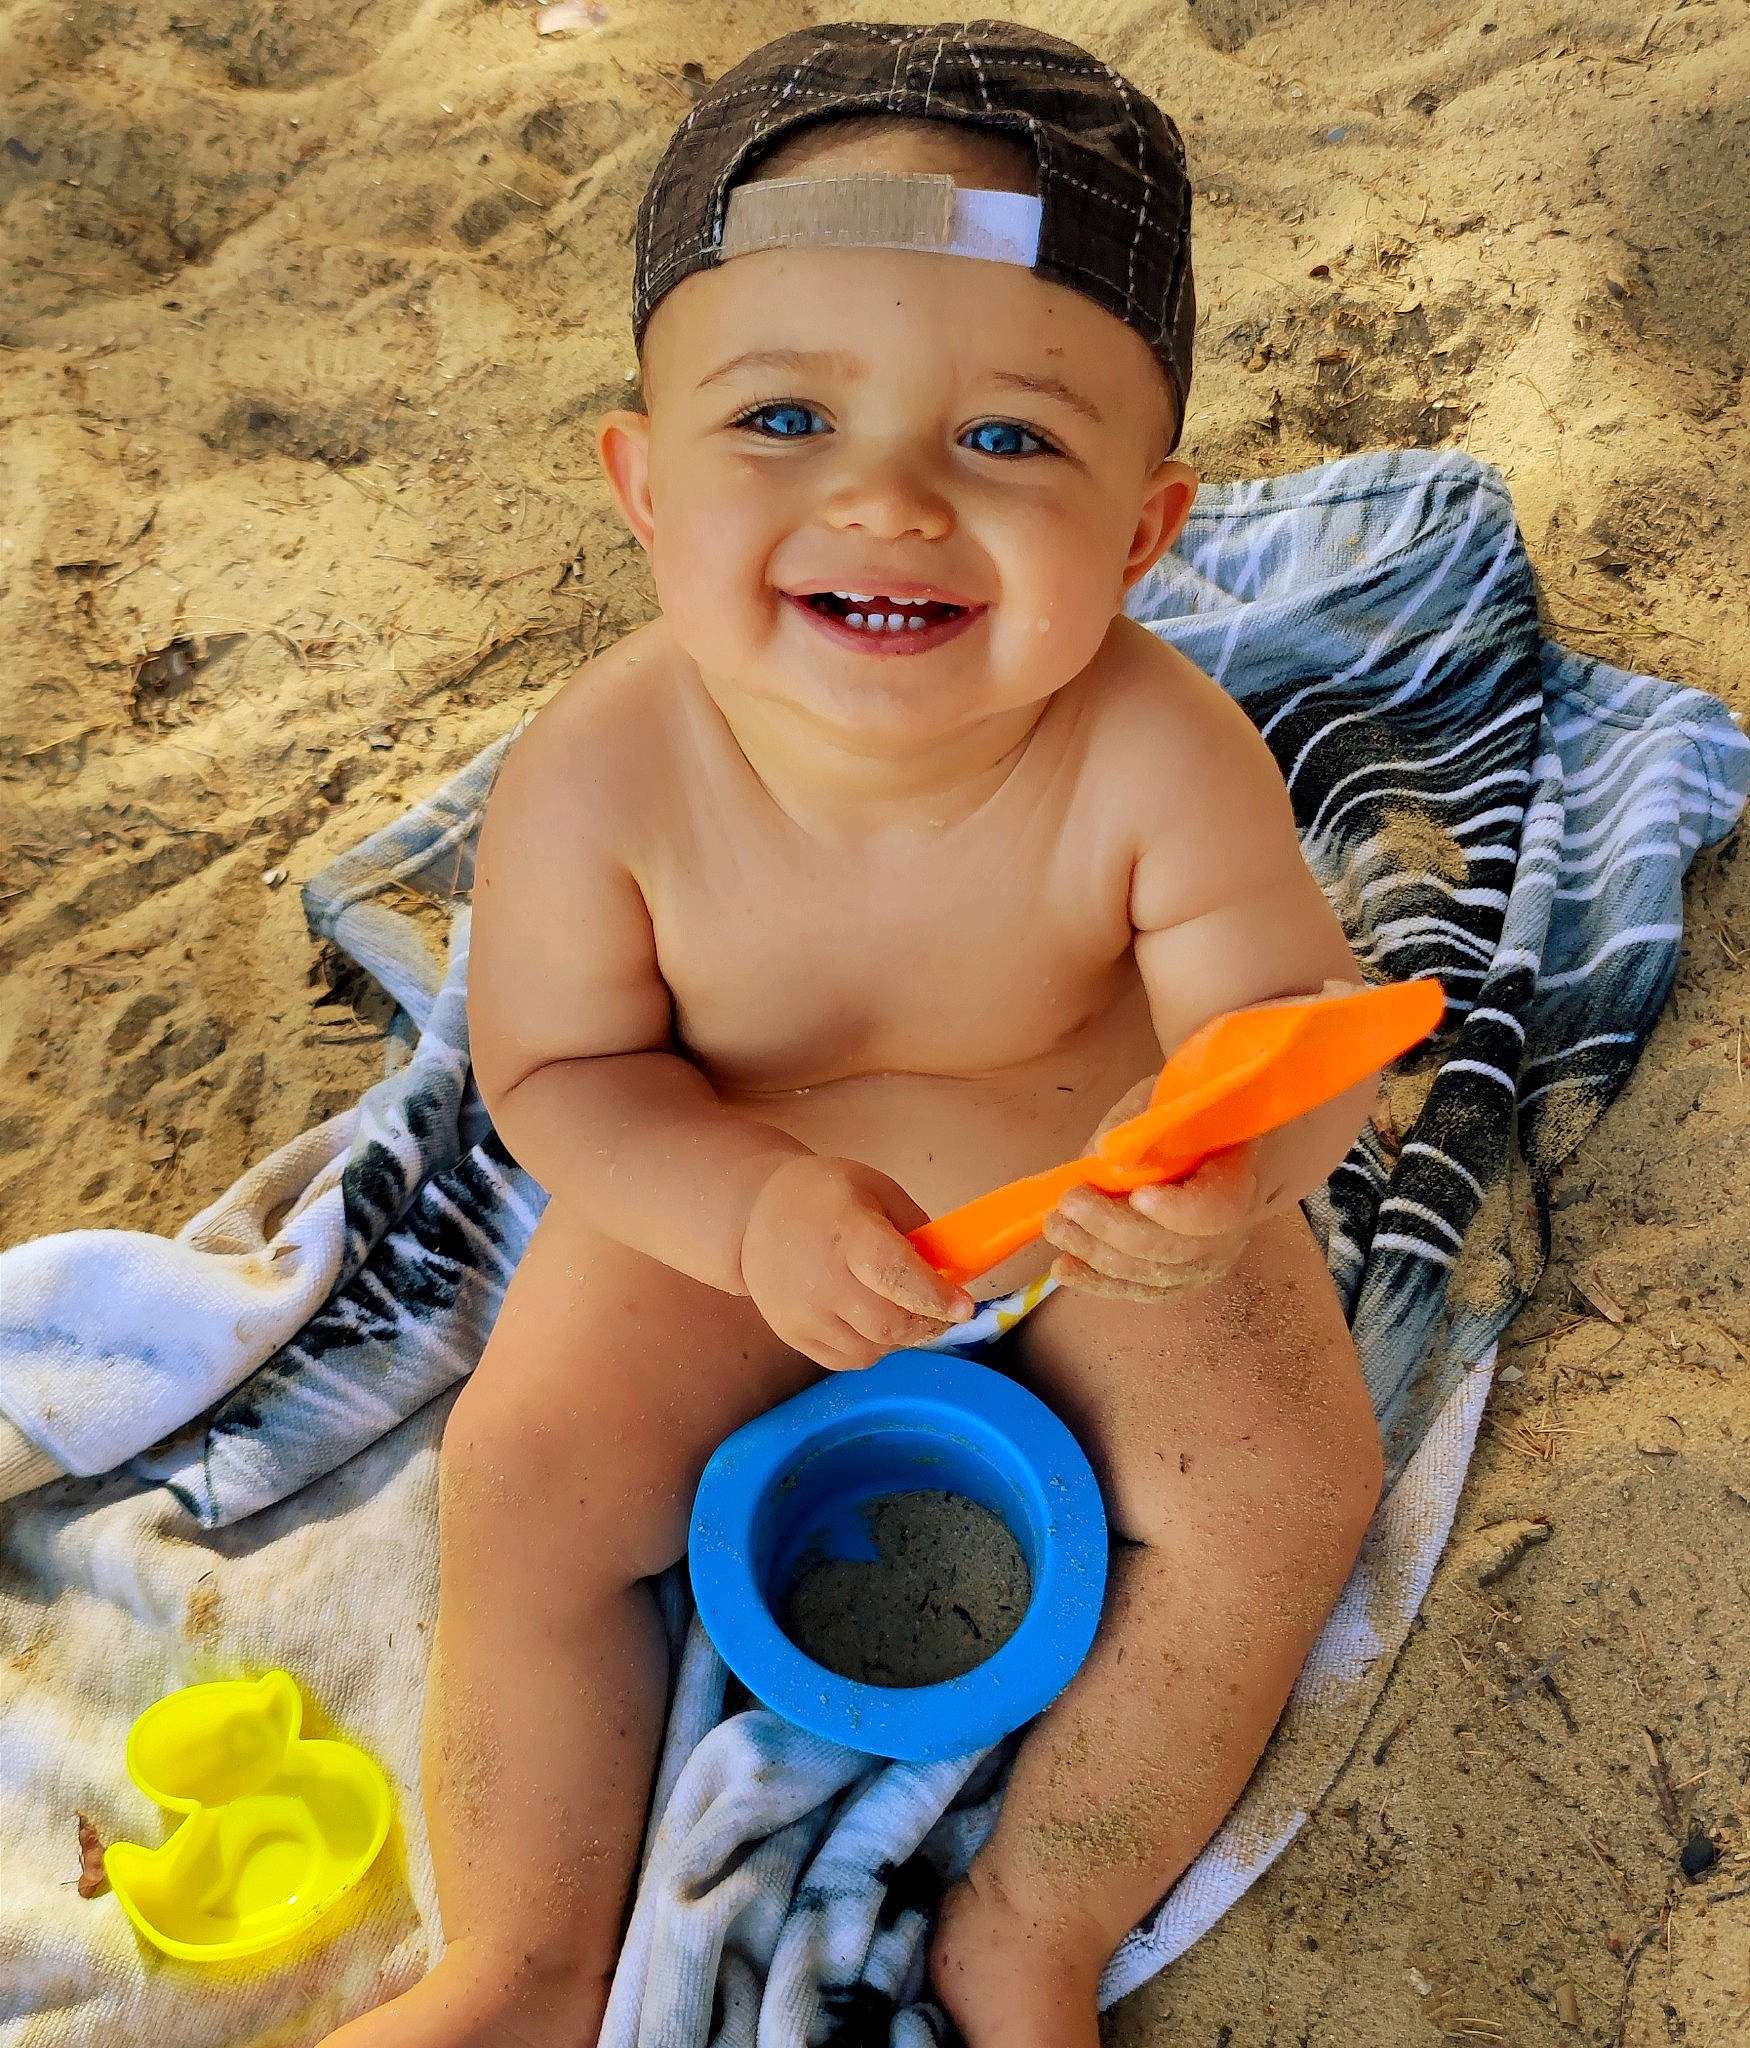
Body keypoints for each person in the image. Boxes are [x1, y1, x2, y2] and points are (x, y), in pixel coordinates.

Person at [325, 21, 1385, 2048]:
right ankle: (524, 1954)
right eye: (785, 416)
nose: (886, 502)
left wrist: (1228, 1163)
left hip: (1088, 1201)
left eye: (1005, 441)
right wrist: (740, 1213)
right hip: (730, 1184)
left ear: (1143, 535)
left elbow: (1283, 1021)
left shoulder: (1157, 751)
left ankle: (1033, 1925)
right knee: (529, 1478)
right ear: (642, 482)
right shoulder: (601, 769)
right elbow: (560, 1078)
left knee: (1275, 1486)